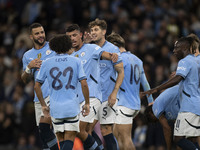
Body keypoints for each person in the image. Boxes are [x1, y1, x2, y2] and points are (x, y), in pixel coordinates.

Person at [66, 24, 120, 150]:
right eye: (69, 37)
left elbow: (106, 54)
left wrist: (113, 56)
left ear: (80, 35)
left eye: (74, 35)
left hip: (93, 96)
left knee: (80, 129)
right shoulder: (70, 55)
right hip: (77, 99)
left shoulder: (91, 48)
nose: (72, 39)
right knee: (87, 131)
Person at [141, 36, 200, 150]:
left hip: (188, 106)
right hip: (197, 104)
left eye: (176, 47)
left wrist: (157, 89)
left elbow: (177, 78)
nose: (174, 51)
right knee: (192, 139)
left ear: (184, 47)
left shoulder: (185, 61)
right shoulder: (197, 60)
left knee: (178, 139)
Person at [34, 34, 90, 150]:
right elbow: (84, 84)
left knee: (61, 140)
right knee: (69, 139)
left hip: (55, 108)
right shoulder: (76, 61)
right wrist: (87, 103)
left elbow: (36, 86)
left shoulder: (46, 62)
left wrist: (43, 105)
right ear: (68, 45)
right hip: (71, 106)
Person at [106, 32, 154, 150]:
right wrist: (150, 101)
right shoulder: (137, 60)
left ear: (114, 46)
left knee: (126, 138)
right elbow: (145, 83)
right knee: (117, 135)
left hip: (125, 104)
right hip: (134, 104)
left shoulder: (118, 59)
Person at [21, 23, 59, 150]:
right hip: (39, 98)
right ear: (31, 37)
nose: (41, 35)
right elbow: (25, 80)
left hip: (55, 94)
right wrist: (29, 67)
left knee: (50, 130)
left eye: (42, 32)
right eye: (37, 33)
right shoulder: (27, 56)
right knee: (44, 136)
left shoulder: (54, 47)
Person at [88, 19, 124, 150]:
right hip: (93, 96)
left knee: (106, 130)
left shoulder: (112, 49)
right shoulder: (89, 49)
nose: (93, 32)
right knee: (86, 129)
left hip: (107, 96)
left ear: (104, 32)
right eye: (91, 30)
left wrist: (114, 92)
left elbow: (121, 72)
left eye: (96, 30)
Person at [145, 85, 180, 150]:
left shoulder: (155, 107)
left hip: (189, 98)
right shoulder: (165, 109)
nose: (156, 121)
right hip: (188, 98)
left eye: (152, 120)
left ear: (150, 113)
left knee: (180, 139)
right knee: (180, 138)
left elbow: (167, 129)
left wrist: (168, 148)